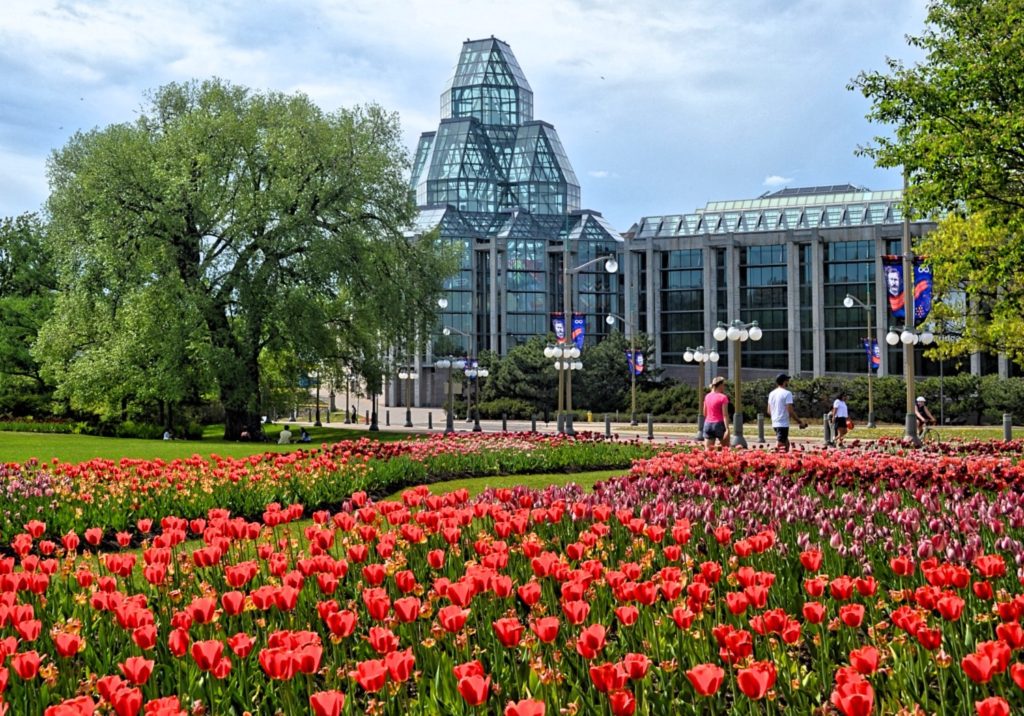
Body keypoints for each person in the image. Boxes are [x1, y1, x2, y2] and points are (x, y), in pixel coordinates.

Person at [767, 373, 807, 452]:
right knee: (780, 446)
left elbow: (769, 411)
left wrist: (776, 417)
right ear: (784, 382)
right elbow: (790, 410)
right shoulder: (787, 393)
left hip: (775, 422)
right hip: (783, 423)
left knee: (786, 444)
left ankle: (784, 460)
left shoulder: (772, 393)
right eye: (787, 380)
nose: (788, 382)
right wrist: (799, 422)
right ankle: (771, 458)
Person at [703, 376, 730, 450]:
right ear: (720, 385)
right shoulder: (723, 397)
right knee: (725, 448)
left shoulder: (707, 396)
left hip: (708, 424)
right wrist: (727, 429)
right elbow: (725, 415)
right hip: (719, 424)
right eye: (723, 385)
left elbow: (704, 413)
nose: (724, 387)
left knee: (708, 450)